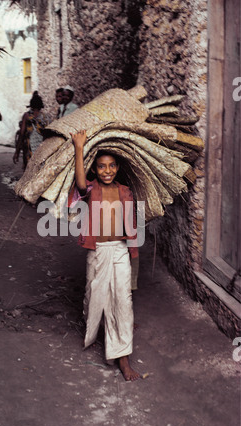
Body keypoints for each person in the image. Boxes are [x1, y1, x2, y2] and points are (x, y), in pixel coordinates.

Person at [69, 129, 140, 382]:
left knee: (123, 302)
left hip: (120, 251)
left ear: (118, 167)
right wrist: (79, 147)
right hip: (98, 252)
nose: (107, 171)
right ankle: (93, 327)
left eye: (111, 166)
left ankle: (123, 358)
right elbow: (79, 183)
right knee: (94, 296)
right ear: (95, 170)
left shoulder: (125, 192)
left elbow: (132, 227)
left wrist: (133, 258)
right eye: (101, 167)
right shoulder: (91, 189)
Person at [13, 93, 51, 169]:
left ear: (31, 105)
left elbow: (21, 134)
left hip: (29, 149)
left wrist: (17, 152)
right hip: (42, 150)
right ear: (41, 105)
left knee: (29, 172)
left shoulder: (27, 116)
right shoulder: (45, 117)